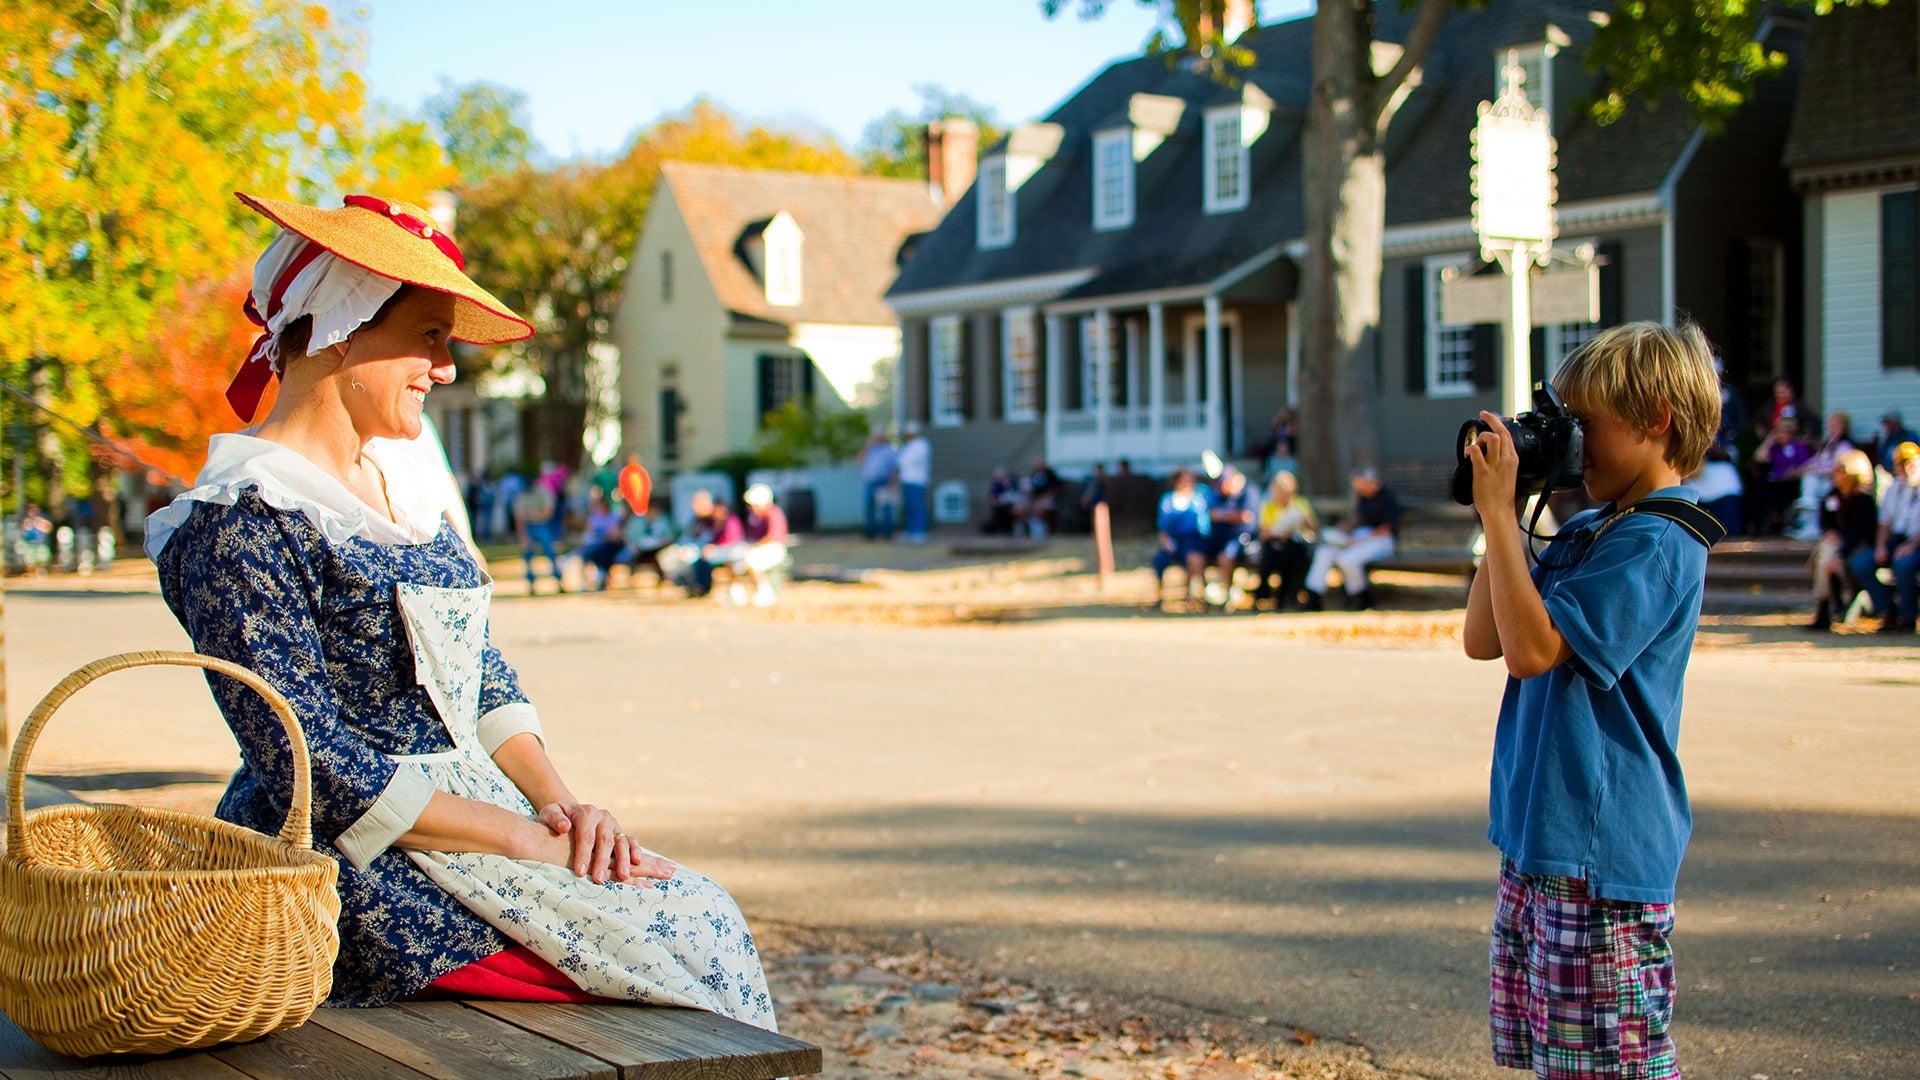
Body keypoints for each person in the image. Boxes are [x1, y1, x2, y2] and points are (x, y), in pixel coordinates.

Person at [143, 192, 773, 1022]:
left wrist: (559, 804)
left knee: (702, 913)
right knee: (669, 955)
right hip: (361, 865)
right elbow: (307, 763)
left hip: (485, 823)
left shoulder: (401, 491)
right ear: (341, 331)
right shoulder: (243, 521)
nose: (446, 369)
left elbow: (475, 669)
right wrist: (522, 837)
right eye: (430, 338)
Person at [1462, 320, 1722, 1080]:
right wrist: (1501, 517)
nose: (1570, 445)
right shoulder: (1584, 528)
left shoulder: (1660, 541)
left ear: (1654, 420)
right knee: (1563, 1061)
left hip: (1600, 855)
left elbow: (1534, 650)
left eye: (1583, 427)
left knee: (1615, 1066)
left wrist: (1504, 518)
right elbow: (1484, 637)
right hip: (1543, 837)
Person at [1303, 467, 1399, 611]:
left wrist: (1360, 540)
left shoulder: (1388, 497)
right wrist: (1344, 528)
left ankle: (1361, 597)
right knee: (1325, 552)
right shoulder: (1363, 497)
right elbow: (1360, 520)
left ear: (1370, 482)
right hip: (1359, 537)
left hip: (1381, 540)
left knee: (1346, 559)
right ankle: (1313, 597)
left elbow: (1387, 528)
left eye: (1361, 487)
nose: (1359, 491)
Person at [1848, 441, 1920, 633]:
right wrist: (1881, 545)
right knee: (1860, 564)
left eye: (1911, 462)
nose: (1907, 468)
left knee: (1903, 565)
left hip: (1916, 543)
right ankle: (1888, 611)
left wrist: (1912, 544)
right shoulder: (1893, 488)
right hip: (1896, 540)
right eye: (1902, 463)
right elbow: (1884, 523)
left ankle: (1908, 616)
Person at [1808, 450, 1877, 630]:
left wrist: (1841, 553)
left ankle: (1824, 608)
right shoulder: (1833, 494)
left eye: (1840, 470)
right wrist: (1829, 531)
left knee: (1826, 559)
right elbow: (1825, 518)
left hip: (1857, 547)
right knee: (1826, 555)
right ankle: (1831, 607)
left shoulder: (1864, 501)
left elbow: (1861, 533)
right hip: (1835, 545)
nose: (1836, 474)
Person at [1251, 472, 1317, 611]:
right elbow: (1264, 532)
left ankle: (1287, 598)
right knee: (1272, 559)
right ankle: (1262, 597)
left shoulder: (1299, 503)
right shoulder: (1268, 505)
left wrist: (1305, 520)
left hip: (1294, 544)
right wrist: (1279, 532)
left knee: (1294, 558)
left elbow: (1314, 527)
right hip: (1274, 545)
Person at [1790, 411, 1856, 541]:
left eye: (1834, 425)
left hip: (1836, 484)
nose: (1831, 428)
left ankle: (1811, 516)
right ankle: (1808, 525)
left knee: (1811, 479)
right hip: (1821, 482)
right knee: (1809, 479)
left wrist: (1815, 470)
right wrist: (1805, 467)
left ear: (1843, 427)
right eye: (1829, 425)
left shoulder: (1845, 446)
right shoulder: (1828, 445)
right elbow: (1817, 460)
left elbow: (1839, 468)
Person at [1152, 468, 1211, 607]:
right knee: (1160, 560)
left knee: (1194, 558)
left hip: (1192, 539)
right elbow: (1163, 526)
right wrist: (1165, 540)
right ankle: (1159, 595)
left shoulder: (1198, 499)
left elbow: (1204, 525)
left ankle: (1190, 594)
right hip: (1172, 539)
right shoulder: (1168, 500)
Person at [726, 484, 790, 607]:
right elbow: (752, 538)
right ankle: (738, 593)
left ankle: (765, 592)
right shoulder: (754, 517)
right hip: (759, 548)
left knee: (751, 560)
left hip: (775, 549)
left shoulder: (774, 514)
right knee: (733, 559)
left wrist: (754, 546)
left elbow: (772, 537)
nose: (751, 507)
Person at [1204, 467, 1258, 607]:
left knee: (1226, 555)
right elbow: (1211, 514)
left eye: (1226, 483)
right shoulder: (1220, 495)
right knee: (1197, 552)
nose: (1224, 487)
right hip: (1220, 537)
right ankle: (1205, 594)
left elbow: (1245, 516)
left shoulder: (1249, 491)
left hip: (1244, 539)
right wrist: (1230, 516)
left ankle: (1228, 592)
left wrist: (1223, 515)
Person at [1750, 415, 1813, 534]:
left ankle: (1780, 524)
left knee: (1781, 493)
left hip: (1791, 483)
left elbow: (1807, 466)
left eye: (1784, 432)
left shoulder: (1798, 446)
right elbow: (1759, 458)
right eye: (1778, 431)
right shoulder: (1774, 447)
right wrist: (1769, 440)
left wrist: (1794, 472)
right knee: (1759, 490)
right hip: (1774, 482)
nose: (1781, 434)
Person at [512, 475, 565, 594]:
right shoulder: (522, 495)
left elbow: (548, 512)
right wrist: (523, 537)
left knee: (551, 553)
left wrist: (531, 515)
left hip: (542, 526)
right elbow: (519, 518)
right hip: (528, 527)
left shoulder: (542, 492)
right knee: (528, 555)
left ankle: (559, 581)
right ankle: (531, 584)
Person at [576, 489, 626, 591]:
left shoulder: (614, 517)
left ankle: (601, 577)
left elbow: (615, 535)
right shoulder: (594, 518)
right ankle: (589, 579)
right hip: (596, 545)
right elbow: (588, 533)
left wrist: (605, 536)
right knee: (588, 551)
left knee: (602, 551)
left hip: (610, 546)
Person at [858, 430, 897, 541]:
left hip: (884, 481)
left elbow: (894, 468)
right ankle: (871, 533)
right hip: (870, 482)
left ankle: (887, 533)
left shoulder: (888, 450)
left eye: (878, 437)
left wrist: (892, 483)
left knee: (886, 508)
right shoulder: (870, 450)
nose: (876, 439)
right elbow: (859, 460)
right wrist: (867, 446)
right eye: (874, 437)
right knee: (869, 507)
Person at [897, 421, 931, 543]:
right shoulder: (907, 446)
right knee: (910, 507)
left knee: (918, 507)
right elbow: (900, 461)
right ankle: (911, 531)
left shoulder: (922, 445)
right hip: (907, 480)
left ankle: (920, 532)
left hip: (917, 481)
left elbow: (909, 461)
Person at [1018, 457, 1062, 539]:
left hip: (1048, 499)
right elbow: (1031, 489)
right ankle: (1027, 528)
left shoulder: (1051, 474)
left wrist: (1042, 499)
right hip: (1035, 499)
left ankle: (1039, 530)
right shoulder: (1034, 474)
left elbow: (1054, 490)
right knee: (1020, 508)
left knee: (1039, 507)